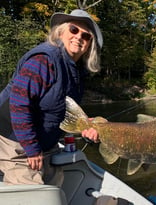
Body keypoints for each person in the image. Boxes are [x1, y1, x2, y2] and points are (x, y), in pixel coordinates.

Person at [0, 9, 102, 186]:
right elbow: (18, 104)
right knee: (33, 194)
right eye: (73, 30)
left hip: (45, 143)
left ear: (89, 45)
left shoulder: (76, 71)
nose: (79, 37)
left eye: (86, 36)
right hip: (16, 141)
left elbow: (63, 111)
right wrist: (31, 148)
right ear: (61, 32)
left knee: (56, 185)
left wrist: (86, 126)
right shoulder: (44, 60)